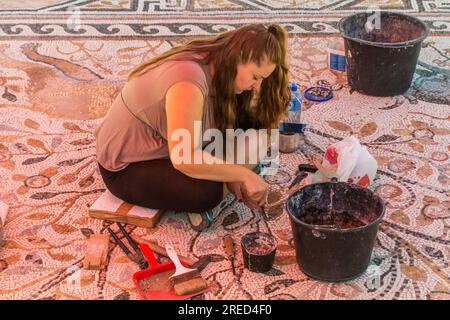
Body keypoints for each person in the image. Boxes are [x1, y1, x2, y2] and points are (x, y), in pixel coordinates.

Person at [95, 23, 290, 231]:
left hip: (171, 147)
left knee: (256, 133)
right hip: (128, 166)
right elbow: (183, 157)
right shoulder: (187, 81)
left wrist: (232, 172)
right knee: (206, 193)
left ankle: (228, 176)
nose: (257, 86)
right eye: (255, 77)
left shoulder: (220, 63)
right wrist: (241, 174)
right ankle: (216, 193)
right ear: (239, 56)